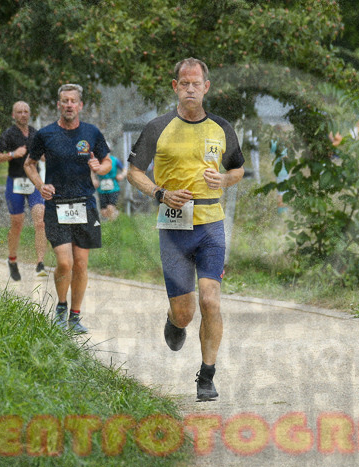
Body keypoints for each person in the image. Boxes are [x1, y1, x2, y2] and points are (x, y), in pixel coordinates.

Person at [127, 58, 245, 402]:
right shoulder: (157, 127)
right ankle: (173, 320)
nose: (190, 88)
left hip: (210, 225)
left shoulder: (222, 128)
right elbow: (134, 172)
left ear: (207, 87)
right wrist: (159, 193)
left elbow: (237, 170)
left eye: (197, 83)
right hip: (174, 227)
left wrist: (224, 178)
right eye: (184, 83)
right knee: (186, 312)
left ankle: (206, 375)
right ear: (175, 86)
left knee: (210, 300)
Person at [24, 83, 112, 335]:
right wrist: (40, 185)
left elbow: (107, 162)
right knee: (65, 262)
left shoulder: (91, 132)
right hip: (57, 204)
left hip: (84, 203)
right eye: (64, 100)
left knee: (81, 264)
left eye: (73, 100)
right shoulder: (45, 134)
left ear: (80, 105)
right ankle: (60, 309)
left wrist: (99, 167)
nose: (69, 104)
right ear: (59, 105)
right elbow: (29, 164)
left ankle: (75, 316)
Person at [0, 101, 49, 281]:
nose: (23, 115)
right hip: (16, 182)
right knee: (17, 223)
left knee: (40, 220)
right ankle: (12, 259)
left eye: (26, 111)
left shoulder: (36, 134)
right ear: (13, 115)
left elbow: (44, 154)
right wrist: (12, 154)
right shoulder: (8, 134)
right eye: (19, 112)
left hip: (34, 181)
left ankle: (40, 263)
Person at [95, 153, 126, 222]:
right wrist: (94, 179)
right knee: (104, 212)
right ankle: (117, 214)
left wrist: (122, 175)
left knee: (110, 207)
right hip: (101, 189)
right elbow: (91, 171)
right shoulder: (97, 161)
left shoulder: (115, 160)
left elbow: (124, 170)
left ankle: (113, 227)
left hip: (113, 187)